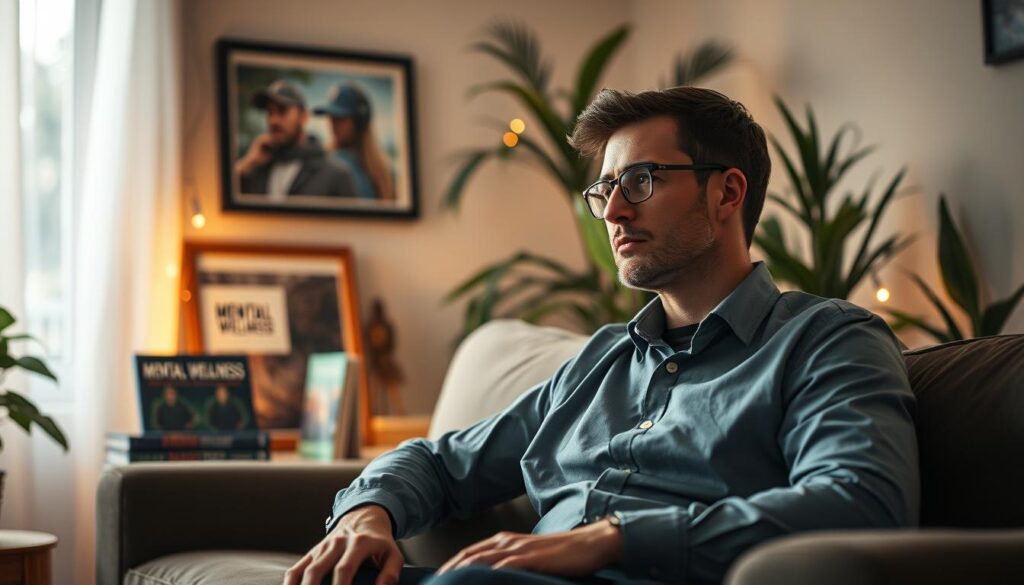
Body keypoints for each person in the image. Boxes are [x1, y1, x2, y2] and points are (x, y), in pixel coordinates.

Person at [285, 87, 920, 585]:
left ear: (727, 192)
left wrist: (614, 537)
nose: (614, 211)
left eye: (641, 181)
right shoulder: (602, 360)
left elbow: (860, 503)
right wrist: (367, 513)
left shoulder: (827, 340)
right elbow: (439, 462)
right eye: (606, 189)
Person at [235, 79, 357, 199]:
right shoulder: (257, 169)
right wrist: (248, 162)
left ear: (303, 117)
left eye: (282, 110)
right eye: (270, 112)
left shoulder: (336, 175)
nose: (273, 120)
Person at [314, 82, 397, 201]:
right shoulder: (326, 162)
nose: (333, 124)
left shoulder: (384, 175)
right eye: (331, 117)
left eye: (341, 118)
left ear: (360, 121)